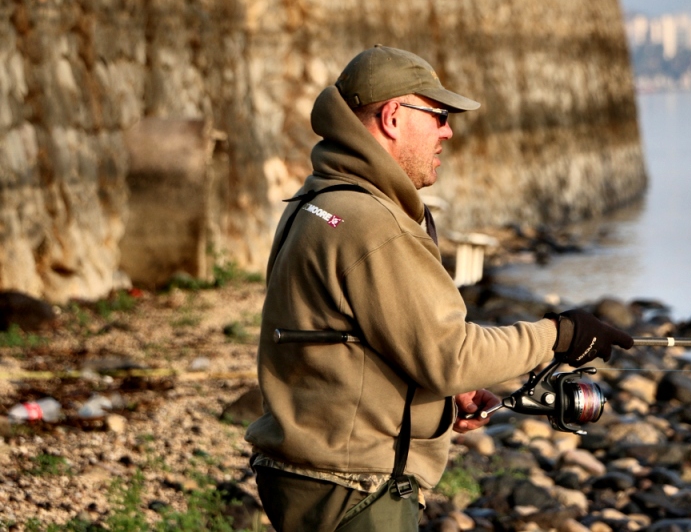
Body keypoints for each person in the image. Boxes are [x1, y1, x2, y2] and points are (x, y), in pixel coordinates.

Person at [245, 45, 633, 531]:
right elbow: (450, 356)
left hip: (310, 474)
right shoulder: (372, 224)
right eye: (439, 115)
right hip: (355, 487)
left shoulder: (317, 200)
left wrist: (440, 401)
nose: (448, 130)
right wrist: (559, 335)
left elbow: (347, 341)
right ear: (392, 117)